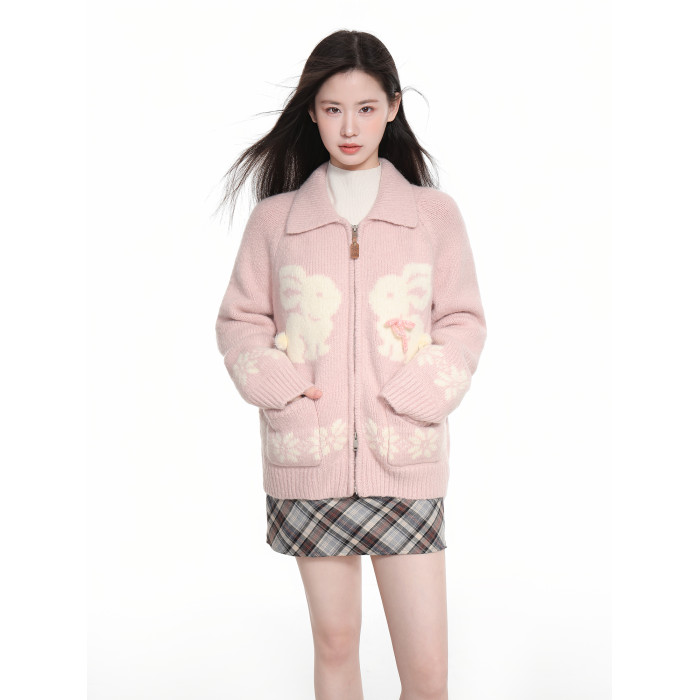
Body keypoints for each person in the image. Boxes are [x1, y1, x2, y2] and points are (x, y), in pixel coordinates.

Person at [214, 30, 487, 700]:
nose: (349, 127)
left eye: (365, 108)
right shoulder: (276, 220)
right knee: (335, 644)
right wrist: (283, 390)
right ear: (311, 112)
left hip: (406, 457)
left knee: (427, 671)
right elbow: (241, 322)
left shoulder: (431, 215)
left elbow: (462, 320)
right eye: (333, 109)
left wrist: (420, 392)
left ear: (392, 107)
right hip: (311, 456)